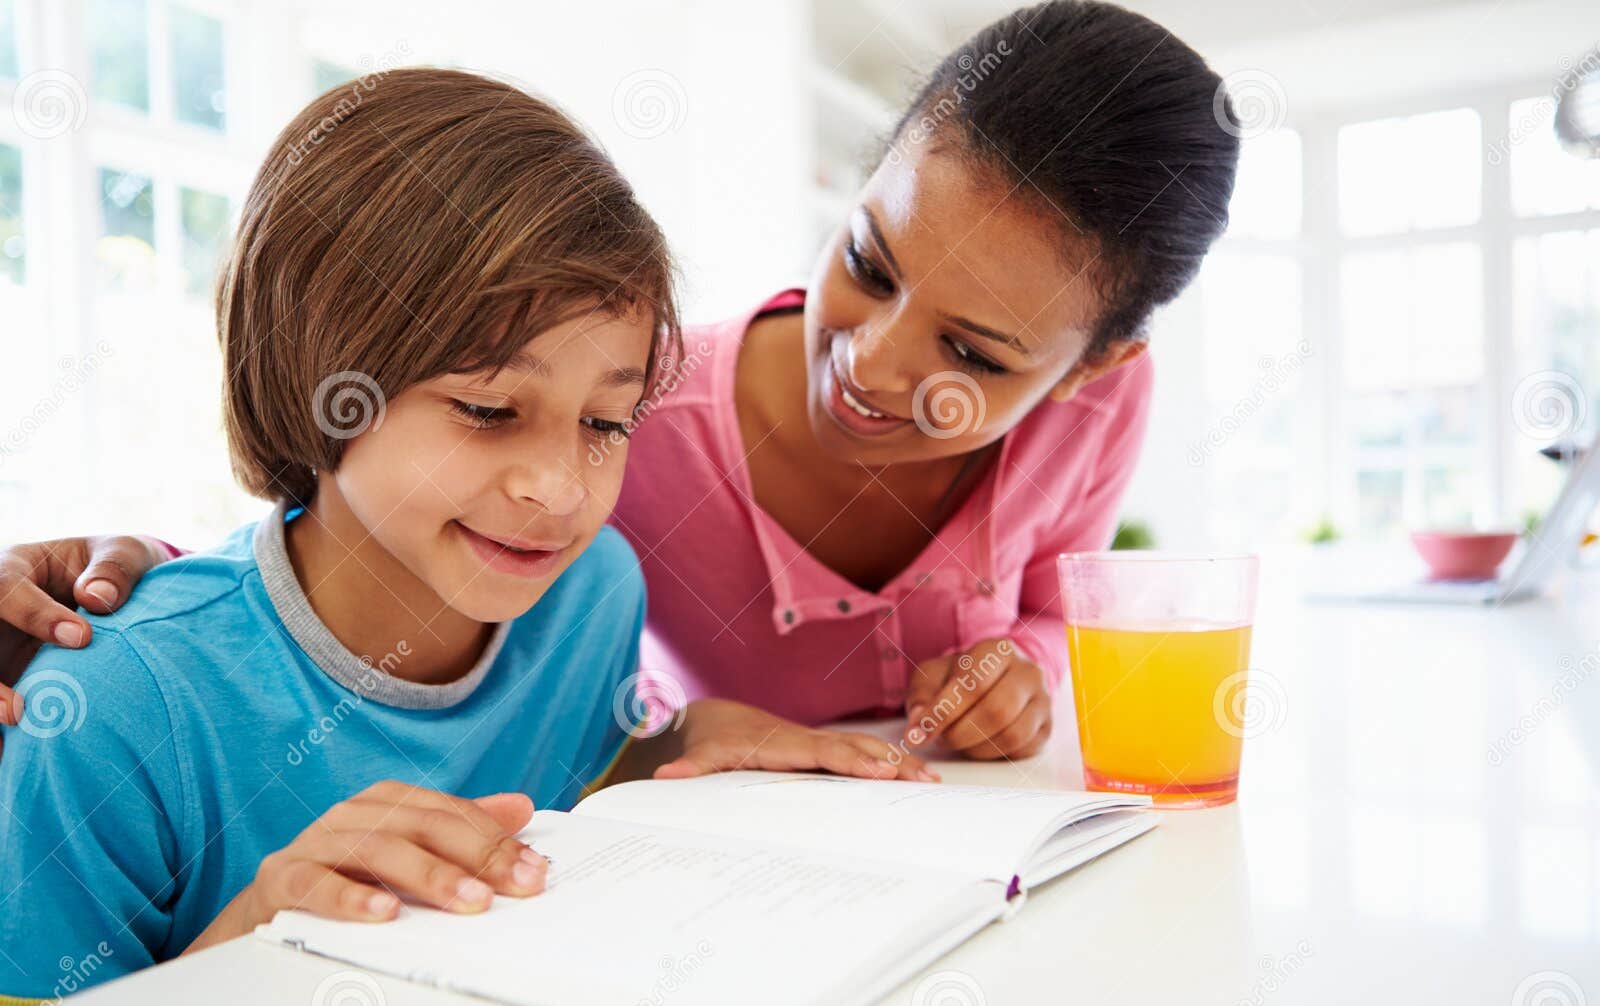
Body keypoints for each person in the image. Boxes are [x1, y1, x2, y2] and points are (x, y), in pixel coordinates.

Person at [0, 1, 1239, 763]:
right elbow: (355, 521)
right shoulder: (628, 415)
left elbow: (1047, 600)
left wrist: (1021, 664)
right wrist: (124, 591)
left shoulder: (1098, 413)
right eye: (866, 261)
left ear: (1098, 364)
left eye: (975, 354)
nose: (869, 361)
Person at [0, 67, 923, 1006]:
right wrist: (249, 947)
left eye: (606, 422)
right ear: (318, 379)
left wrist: (671, 748)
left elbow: (559, 791)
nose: (560, 487)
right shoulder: (111, 712)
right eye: (487, 409)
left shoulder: (589, 592)